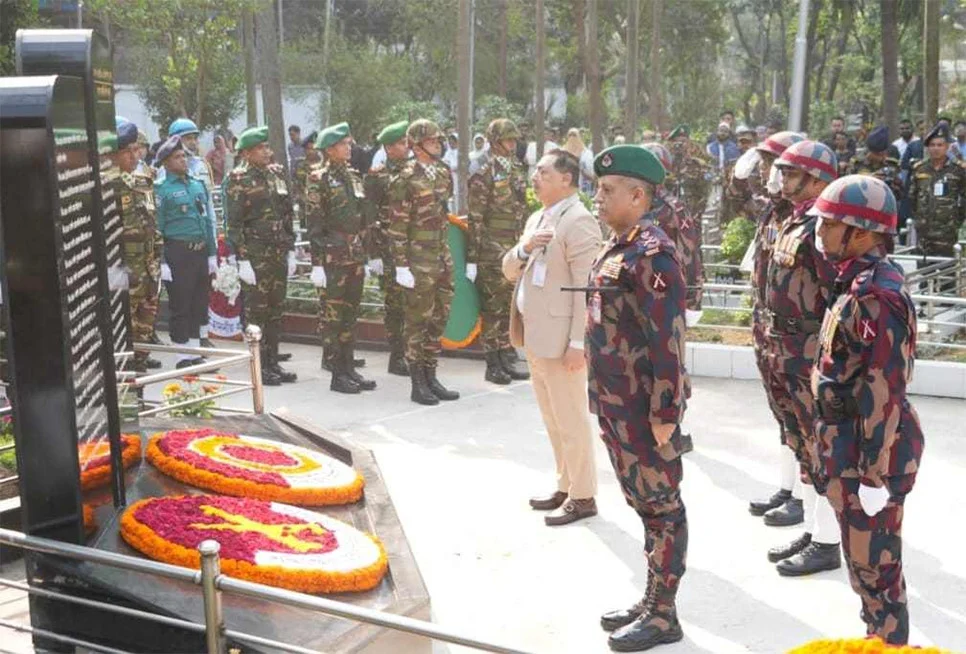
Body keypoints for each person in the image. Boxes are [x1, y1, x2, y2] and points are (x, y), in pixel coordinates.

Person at [811, 174, 923, 645]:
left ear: (861, 232)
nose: (819, 234)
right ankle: (877, 638)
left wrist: (872, 471)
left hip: (868, 455)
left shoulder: (877, 296)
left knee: (877, 571)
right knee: (863, 567)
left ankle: (889, 643)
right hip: (848, 448)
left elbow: (884, 388)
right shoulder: (854, 283)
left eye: (828, 225)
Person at [587, 145, 690, 652]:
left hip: (644, 409)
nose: (598, 197)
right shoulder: (618, 246)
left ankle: (665, 615)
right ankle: (651, 598)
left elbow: (668, 342)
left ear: (638, 195)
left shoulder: (652, 255)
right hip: (615, 402)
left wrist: (666, 414)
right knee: (644, 505)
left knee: (663, 506)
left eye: (607, 190)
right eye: (598, 188)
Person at [502, 148, 601, 526]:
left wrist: (579, 343)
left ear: (567, 178)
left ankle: (584, 495)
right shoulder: (538, 217)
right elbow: (510, 270)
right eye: (535, 171)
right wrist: (525, 248)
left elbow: (586, 289)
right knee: (553, 418)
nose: (535, 177)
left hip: (563, 343)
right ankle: (566, 484)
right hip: (535, 336)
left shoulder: (579, 221)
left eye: (542, 171)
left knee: (572, 419)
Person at [764, 140, 842, 576]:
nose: (782, 180)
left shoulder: (823, 227)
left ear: (816, 179)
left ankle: (828, 541)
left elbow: (835, 293)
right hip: (787, 348)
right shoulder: (796, 220)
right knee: (801, 442)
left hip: (809, 349)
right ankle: (814, 530)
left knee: (821, 447)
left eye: (791, 173)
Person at [745, 131, 806, 524]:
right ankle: (788, 487)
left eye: (774, 164)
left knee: (802, 421)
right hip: (768, 330)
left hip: (795, 337)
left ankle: (804, 496)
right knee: (783, 417)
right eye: (766, 164)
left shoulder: (805, 216)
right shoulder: (775, 211)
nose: (768, 172)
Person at [388, 119, 461, 405]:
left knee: (438, 318)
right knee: (417, 321)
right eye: (432, 142)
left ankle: (431, 375)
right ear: (416, 146)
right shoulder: (404, 178)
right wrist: (401, 265)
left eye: (439, 141)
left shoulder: (443, 172)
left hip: (440, 256)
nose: (438, 145)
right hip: (418, 259)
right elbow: (396, 226)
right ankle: (417, 382)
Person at [304, 122, 377, 393]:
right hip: (333, 257)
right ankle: (337, 375)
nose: (350, 147)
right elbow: (314, 223)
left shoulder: (353, 176)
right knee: (333, 318)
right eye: (345, 143)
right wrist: (317, 264)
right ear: (331, 148)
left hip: (354, 255)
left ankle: (349, 368)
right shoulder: (318, 178)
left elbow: (362, 220)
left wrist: (366, 257)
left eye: (349, 143)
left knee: (350, 315)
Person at [224, 126, 298, 386]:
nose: (267, 151)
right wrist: (241, 259)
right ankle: (258, 366)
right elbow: (234, 223)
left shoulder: (276, 174)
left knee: (276, 310)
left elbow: (287, 213)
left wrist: (291, 248)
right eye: (260, 148)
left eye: (267, 147)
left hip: (278, 251)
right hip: (256, 255)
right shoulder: (238, 179)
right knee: (258, 311)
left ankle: (273, 361)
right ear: (246, 152)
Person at [466, 119, 531, 385]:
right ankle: (492, 362)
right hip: (491, 249)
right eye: (508, 140)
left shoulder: (516, 167)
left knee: (509, 305)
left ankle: (507, 354)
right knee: (492, 308)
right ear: (495, 142)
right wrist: (473, 256)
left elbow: (521, 207)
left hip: (513, 248)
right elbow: (476, 216)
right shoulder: (484, 171)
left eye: (515, 140)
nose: (513, 145)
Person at [154, 136, 217, 369]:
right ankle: (182, 355)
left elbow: (207, 221)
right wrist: (162, 261)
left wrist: (212, 254)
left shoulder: (196, 184)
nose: (183, 161)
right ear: (166, 163)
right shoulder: (161, 190)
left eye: (184, 157)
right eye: (177, 157)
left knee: (198, 303)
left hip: (199, 251)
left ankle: (194, 351)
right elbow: (157, 227)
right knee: (181, 304)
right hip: (177, 252)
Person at [365, 121, 411, 377]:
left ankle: (410, 353)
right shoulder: (377, 176)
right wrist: (373, 254)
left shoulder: (413, 172)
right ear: (389, 148)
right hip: (389, 248)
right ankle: (397, 357)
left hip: (411, 247)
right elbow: (370, 217)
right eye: (401, 143)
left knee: (412, 303)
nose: (406, 147)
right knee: (395, 305)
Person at [115, 120, 162, 372]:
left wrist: (158, 262)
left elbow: (152, 227)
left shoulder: (143, 182)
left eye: (136, 150)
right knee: (122, 344)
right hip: (123, 279)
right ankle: (127, 403)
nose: (135, 156)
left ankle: (140, 397)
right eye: (127, 151)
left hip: (148, 276)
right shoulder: (105, 186)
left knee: (143, 341)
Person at [667, 124, 711, 325]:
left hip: (691, 220)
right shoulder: (665, 165)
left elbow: (705, 193)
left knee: (692, 255)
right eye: (676, 142)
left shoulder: (698, 165)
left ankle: (693, 295)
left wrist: (695, 216)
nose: (679, 145)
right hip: (668, 221)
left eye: (683, 141)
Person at [909, 123, 966, 257]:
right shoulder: (919, 169)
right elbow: (912, 197)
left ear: (947, 147)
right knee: (924, 273)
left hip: (947, 232)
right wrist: (919, 219)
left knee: (946, 273)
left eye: (940, 145)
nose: (936, 149)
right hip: (924, 232)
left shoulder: (958, 170)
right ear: (928, 148)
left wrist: (957, 220)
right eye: (932, 145)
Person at [848, 126, 903, 200]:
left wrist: (891, 185)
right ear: (869, 152)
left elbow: (901, 194)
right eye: (879, 154)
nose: (883, 157)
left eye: (884, 153)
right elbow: (847, 187)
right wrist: (869, 180)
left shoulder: (892, 164)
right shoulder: (856, 163)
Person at [563, 127, 596, 194]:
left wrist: (581, 169)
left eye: (574, 135)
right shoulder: (562, 152)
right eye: (570, 135)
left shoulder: (587, 154)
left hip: (585, 191)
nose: (572, 138)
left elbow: (593, 176)